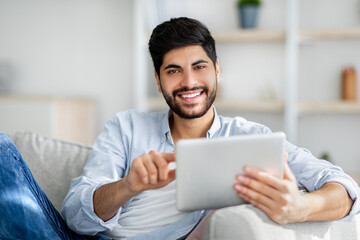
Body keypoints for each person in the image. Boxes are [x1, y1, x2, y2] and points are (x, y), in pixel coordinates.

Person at [0, 17, 359, 240]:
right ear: (158, 80)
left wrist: (298, 207)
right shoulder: (127, 126)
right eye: (173, 70)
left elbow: (346, 189)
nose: (189, 82)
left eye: (199, 67)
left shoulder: (250, 137)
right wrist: (129, 185)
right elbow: (76, 216)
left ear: (217, 70)